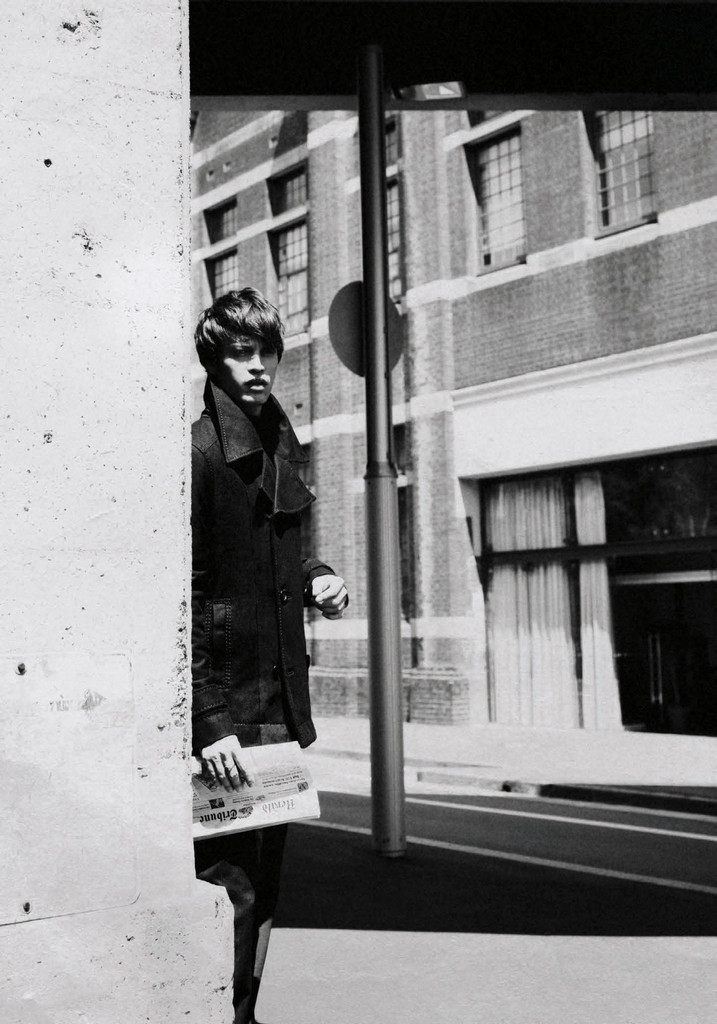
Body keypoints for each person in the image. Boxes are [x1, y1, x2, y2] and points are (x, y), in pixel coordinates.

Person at [191, 287, 348, 1024]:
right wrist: (209, 720)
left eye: (266, 352)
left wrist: (318, 577)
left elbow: (281, 557)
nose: (257, 367)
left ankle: (243, 1016)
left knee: (266, 888)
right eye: (240, 353)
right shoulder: (199, 453)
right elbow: (187, 598)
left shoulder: (282, 445)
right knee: (230, 886)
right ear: (215, 361)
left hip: (277, 704)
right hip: (230, 716)